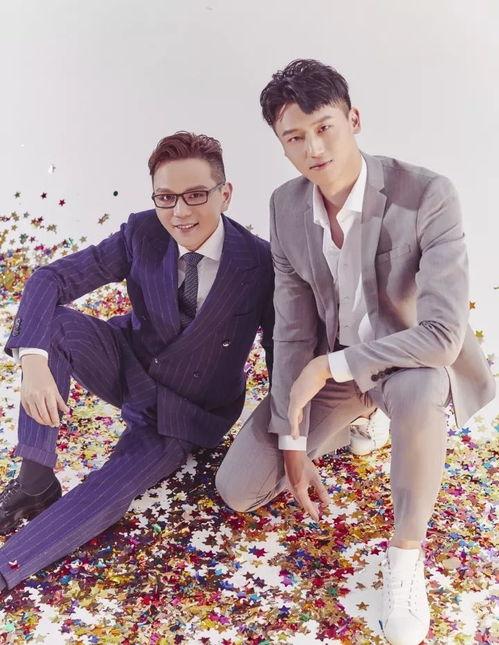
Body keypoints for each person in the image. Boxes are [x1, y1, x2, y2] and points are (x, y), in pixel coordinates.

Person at [216, 59, 496, 645]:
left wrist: (332, 366)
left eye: (325, 127)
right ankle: (360, 420)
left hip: (407, 358)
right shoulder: (285, 206)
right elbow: (293, 330)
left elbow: (444, 334)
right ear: (281, 144)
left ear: (354, 120)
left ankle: (405, 559)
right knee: (240, 490)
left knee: (420, 389)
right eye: (295, 137)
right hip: (335, 366)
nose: (314, 148)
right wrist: (293, 440)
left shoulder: (428, 194)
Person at [0, 131, 274, 592]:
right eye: (166, 197)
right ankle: (34, 481)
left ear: (225, 194)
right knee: (54, 326)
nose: (180, 212)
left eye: (195, 195)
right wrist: (32, 362)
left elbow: (281, 349)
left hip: (185, 410)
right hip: (127, 363)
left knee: (112, 487)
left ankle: (8, 566)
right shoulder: (142, 232)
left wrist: (290, 436)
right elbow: (50, 279)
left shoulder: (261, 263)